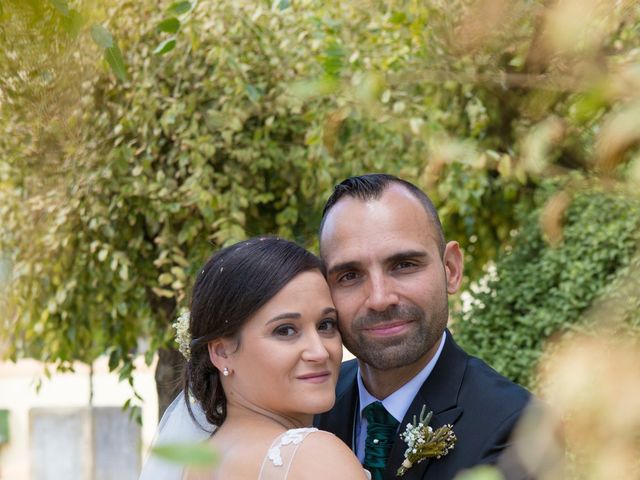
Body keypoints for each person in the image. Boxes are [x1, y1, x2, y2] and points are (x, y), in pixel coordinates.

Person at [314, 174, 532, 480]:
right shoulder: (308, 401)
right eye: (350, 275)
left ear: (451, 269)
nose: (379, 299)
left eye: (403, 265)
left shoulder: (519, 428)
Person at [141, 237, 368, 480]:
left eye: (326, 325)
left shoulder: (194, 465)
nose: (320, 352)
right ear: (221, 352)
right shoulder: (313, 457)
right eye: (285, 330)